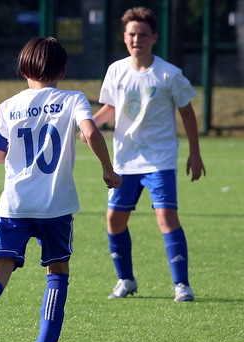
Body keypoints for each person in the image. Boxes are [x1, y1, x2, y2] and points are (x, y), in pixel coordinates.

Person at [0, 37, 122, 342]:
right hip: (55, 207)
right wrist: (107, 169)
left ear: (23, 69)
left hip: (14, 206)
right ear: (63, 70)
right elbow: (90, 131)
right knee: (57, 273)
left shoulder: (9, 105)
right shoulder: (73, 99)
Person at [92, 7, 206, 302]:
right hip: (124, 160)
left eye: (143, 34)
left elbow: (187, 113)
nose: (136, 39)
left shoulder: (169, 74)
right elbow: (112, 108)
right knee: (114, 220)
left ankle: (182, 285)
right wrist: (90, 123)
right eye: (132, 34)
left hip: (159, 159)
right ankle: (125, 279)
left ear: (154, 37)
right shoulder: (116, 70)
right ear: (124, 37)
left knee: (166, 217)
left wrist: (195, 153)